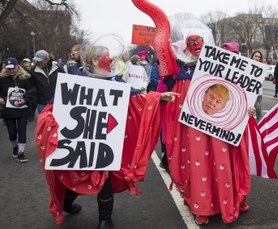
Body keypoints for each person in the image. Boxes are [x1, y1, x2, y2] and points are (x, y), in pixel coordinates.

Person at [35, 44, 179, 229]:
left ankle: (105, 220)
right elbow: (54, 106)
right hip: (79, 142)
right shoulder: (74, 79)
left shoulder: (114, 80)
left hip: (103, 141)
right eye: (106, 56)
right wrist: (48, 121)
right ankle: (68, 204)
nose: (111, 59)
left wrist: (158, 97)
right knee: (76, 174)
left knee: (104, 177)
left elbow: (135, 97)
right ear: (95, 60)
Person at [165, 35, 254, 224]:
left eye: (199, 44)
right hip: (193, 129)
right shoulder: (183, 74)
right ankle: (202, 206)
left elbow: (239, 94)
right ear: (186, 48)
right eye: (191, 44)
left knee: (222, 162)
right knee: (199, 163)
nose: (196, 46)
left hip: (219, 128)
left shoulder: (221, 69)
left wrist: (246, 109)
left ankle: (226, 201)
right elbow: (175, 101)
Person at [0, 57, 34, 163]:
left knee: (22, 131)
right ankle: (15, 146)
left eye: (13, 68)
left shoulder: (26, 77)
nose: (11, 71)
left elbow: (31, 91)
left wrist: (25, 99)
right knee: (12, 133)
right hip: (8, 110)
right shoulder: (2, 78)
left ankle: (21, 152)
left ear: (17, 67)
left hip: (22, 109)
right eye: (8, 69)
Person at [250, 50, 264, 121]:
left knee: (258, 111)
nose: (257, 58)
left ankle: (259, 128)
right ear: (252, 56)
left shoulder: (263, 68)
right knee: (249, 112)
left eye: (259, 57)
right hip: (249, 92)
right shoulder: (248, 65)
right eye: (255, 56)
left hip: (258, 93)